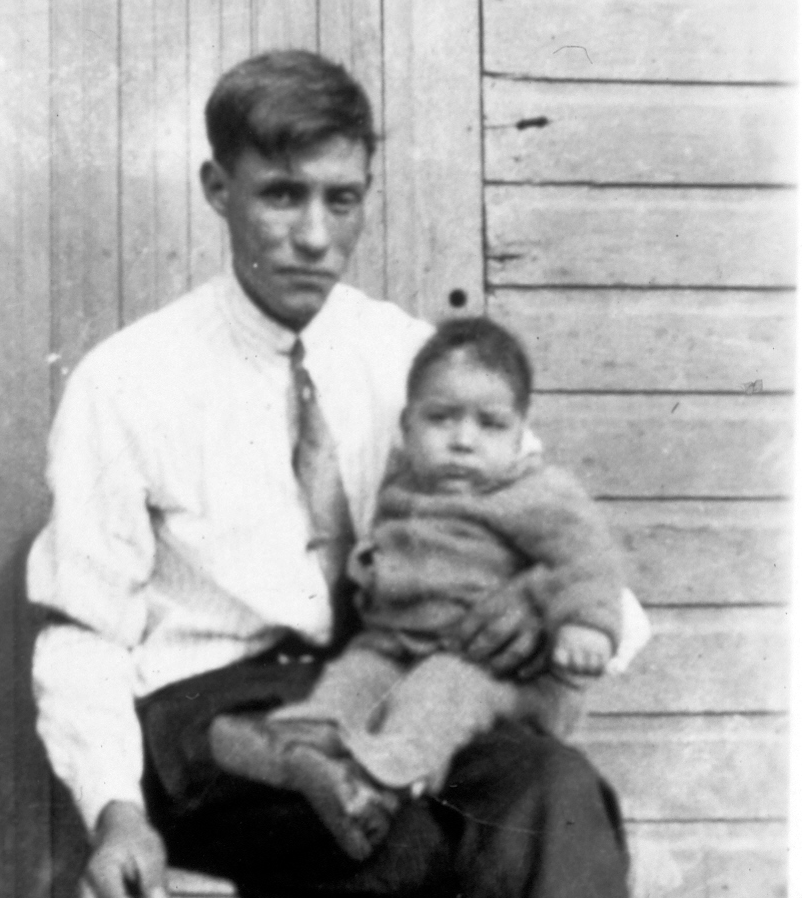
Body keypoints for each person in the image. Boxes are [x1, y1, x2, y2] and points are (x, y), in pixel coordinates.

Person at [27, 49, 673, 898]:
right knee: (530, 862)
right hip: (214, 724)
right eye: (281, 196)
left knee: (555, 795)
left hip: (395, 700)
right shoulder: (128, 382)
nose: (315, 237)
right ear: (217, 187)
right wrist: (113, 812)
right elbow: (81, 629)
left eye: (342, 199)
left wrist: (552, 617)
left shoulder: (409, 361)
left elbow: (554, 530)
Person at [210, 315, 626, 863]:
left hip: (499, 672)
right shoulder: (404, 484)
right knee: (357, 672)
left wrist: (586, 627)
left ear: (520, 434)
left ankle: (376, 788)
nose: (463, 441)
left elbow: (590, 559)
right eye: (441, 418)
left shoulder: (537, 492)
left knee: (437, 691)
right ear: (407, 426)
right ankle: (306, 743)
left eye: (490, 424)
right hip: (398, 645)